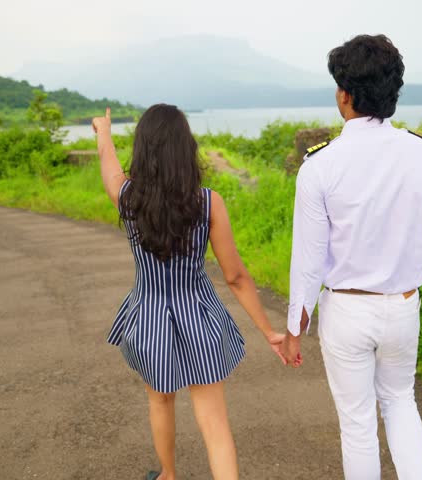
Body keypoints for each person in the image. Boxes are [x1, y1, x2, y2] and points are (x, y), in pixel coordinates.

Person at [280, 34, 422, 479]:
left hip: (346, 310)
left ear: (344, 95)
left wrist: (294, 328)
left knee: (358, 424)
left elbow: (308, 260)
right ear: (393, 94)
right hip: (404, 309)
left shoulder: (319, 166)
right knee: (401, 404)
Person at [93, 104, 285, 480]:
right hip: (199, 317)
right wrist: (268, 331)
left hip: (147, 320)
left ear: (144, 149)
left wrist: (103, 130)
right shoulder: (208, 202)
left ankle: (167, 475)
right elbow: (236, 277)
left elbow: (108, 161)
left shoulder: (128, 198)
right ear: (186, 148)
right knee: (214, 423)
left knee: (160, 400)